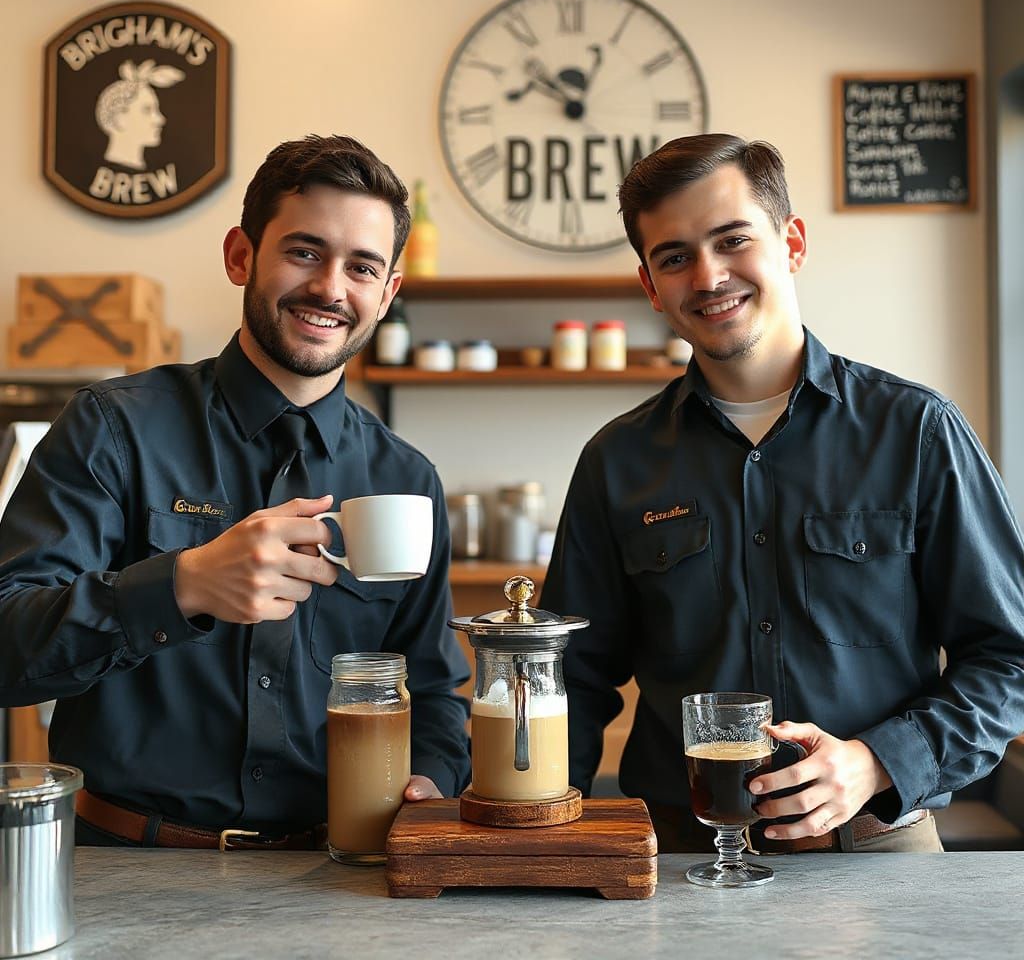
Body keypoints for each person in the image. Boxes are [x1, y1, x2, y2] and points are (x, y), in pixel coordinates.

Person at [540, 133, 1024, 854]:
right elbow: (572, 677)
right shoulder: (618, 459)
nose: (707, 276)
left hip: (879, 850)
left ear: (791, 242)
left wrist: (876, 762)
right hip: (675, 857)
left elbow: (1008, 657)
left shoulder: (918, 431)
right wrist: (539, 835)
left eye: (732, 240)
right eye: (674, 257)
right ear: (651, 286)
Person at [0, 134, 471, 847]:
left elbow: (434, 692)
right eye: (305, 252)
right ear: (241, 256)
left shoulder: (407, 481)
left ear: (387, 294)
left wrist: (431, 778)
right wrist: (181, 585)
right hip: (126, 869)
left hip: (334, 879)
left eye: (363, 268)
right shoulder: (113, 427)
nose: (331, 288)